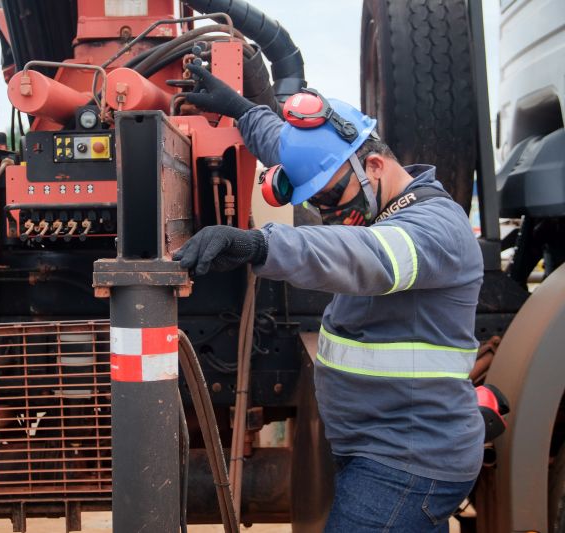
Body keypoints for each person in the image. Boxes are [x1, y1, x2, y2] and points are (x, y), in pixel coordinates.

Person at [174, 64, 485, 532]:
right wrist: (239, 110)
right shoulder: (373, 194)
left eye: (334, 198)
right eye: (317, 205)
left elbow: (364, 257)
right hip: (386, 449)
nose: (331, 215)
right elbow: (288, 145)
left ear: (374, 165)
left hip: (405, 464)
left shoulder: (437, 228)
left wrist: (259, 243)